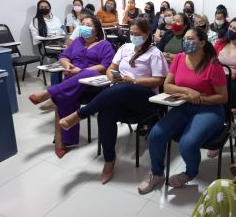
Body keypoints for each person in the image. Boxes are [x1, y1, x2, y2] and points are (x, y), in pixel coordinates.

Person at [58, 18, 168, 184]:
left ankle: (80, 114)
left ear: (147, 34)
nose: (133, 36)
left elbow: (159, 80)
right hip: (121, 94)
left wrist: (134, 81)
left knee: (124, 87)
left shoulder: (154, 53)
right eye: (131, 33)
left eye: (137, 34)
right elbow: (110, 68)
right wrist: (113, 76)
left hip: (145, 99)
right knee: (105, 114)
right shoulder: (125, 48)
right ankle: (109, 160)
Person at [137, 27, 228, 194]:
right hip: (184, 106)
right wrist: (188, 93)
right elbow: (167, 86)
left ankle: (190, 173)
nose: (186, 42)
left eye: (191, 39)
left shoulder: (213, 65)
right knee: (156, 135)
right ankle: (157, 174)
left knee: (188, 143)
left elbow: (222, 98)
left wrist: (199, 97)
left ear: (202, 43)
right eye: (185, 38)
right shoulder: (179, 58)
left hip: (210, 110)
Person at [28, 16, 115, 157]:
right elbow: (63, 56)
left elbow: (105, 67)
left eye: (88, 25)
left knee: (85, 73)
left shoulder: (105, 45)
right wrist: (67, 65)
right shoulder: (77, 42)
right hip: (71, 83)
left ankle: (49, 93)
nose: (84, 27)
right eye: (82, 24)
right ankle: (64, 141)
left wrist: (79, 71)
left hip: (93, 86)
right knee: (63, 97)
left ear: (97, 30)